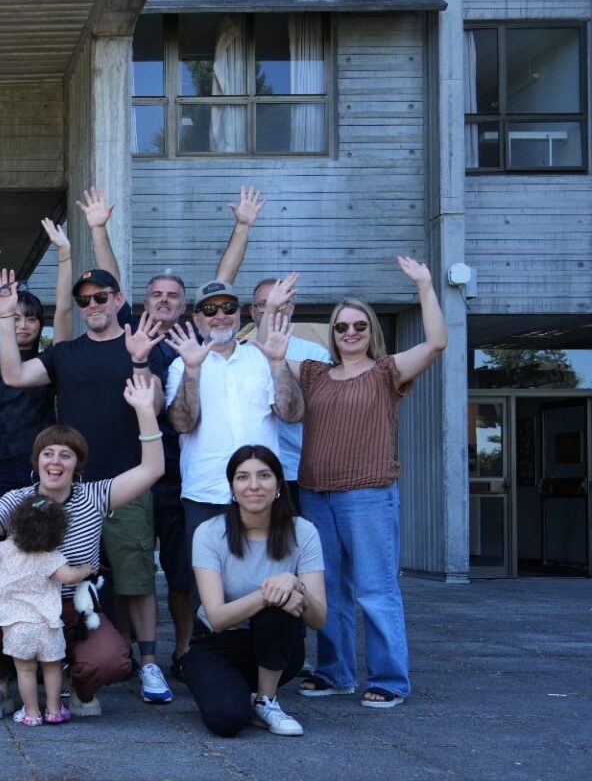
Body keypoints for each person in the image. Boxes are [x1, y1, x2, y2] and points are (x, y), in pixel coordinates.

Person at [80, 183, 265, 671]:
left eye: (174, 296)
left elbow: (223, 284)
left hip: (183, 473)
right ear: (142, 301)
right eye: (156, 294)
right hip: (135, 470)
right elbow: (109, 278)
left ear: (186, 307)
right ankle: (125, 650)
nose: (164, 301)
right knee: (128, 566)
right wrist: (98, 229)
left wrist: (242, 226)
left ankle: (185, 649)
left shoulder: (197, 337)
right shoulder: (130, 331)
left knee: (185, 569)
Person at [0, 264, 172, 705]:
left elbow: (155, 404)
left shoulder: (139, 345)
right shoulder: (65, 353)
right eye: (84, 299)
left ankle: (148, 663)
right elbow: (13, 375)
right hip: (71, 491)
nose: (92, 305)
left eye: (100, 297)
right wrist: (5, 315)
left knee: (135, 579)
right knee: (61, 577)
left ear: (118, 299)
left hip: (126, 483)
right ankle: (64, 663)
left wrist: (140, 359)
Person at [0, 376, 165, 721]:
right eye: (48, 453)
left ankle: (78, 687)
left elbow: (153, 469)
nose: (55, 461)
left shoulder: (96, 496)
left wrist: (145, 411)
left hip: (74, 608)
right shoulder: (17, 500)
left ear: (77, 464)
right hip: (21, 605)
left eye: (65, 455)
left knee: (112, 660)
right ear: (37, 461)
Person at [293, 257, 448, 708]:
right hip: (315, 495)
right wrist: (276, 311)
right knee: (327, 590)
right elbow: (271, 354)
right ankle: (335, 672)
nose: (350, 332)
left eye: (359, 325)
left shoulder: (386, 372)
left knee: (375, 590)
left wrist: (424, 285)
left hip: (367, 495)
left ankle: (390, 679)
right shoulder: (315, 374)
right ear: (332, 333)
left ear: (371, 330)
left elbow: (437, 342)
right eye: (341, 326)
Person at [185, 446, 326, 737]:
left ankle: (266, 700)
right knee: (226, 719)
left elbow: (318, 619)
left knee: (281, 606)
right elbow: (217, 618)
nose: (253, 485)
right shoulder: (210, 533)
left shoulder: (303, 531)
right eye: (242, 477)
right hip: (217, 644)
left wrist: (295, 584)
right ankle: (244, 697)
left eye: (264, 476)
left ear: (279, 485)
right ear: (232, 488)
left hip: (278, 649)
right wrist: (267, 593)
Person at [165, 280, 302, 555]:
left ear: (239, 313)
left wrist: (278, 363)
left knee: (271, 575)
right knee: (207, 579)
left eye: (228, 307)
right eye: (210, 309)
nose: (220, 315)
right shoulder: (181, 365)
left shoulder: (262, 358)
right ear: (197, 318)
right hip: (206, 493)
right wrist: (192, 371)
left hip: (263, 492)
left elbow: (292, 414)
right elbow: (182, 424)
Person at [0, 221, 71, 495]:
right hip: (0, 467)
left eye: (31, 319)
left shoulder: (49, 362)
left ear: (40, 325)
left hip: (45, 465)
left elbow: (64, 312)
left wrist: (64, 256)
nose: (23, 325)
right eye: (16, 318)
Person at [0, 495, 94, 727]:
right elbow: (69, 577)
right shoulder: (51, 557)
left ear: (17, 525)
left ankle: (32, 713)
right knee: (52, 666)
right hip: (47, 625)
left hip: (16, 626)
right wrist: (85, 570)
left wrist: (10, 539)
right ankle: (54, 710)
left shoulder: (6, 549)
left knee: (25, 670)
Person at [241, 274, 332, 513]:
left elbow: (320, 410)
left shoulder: (315, 353)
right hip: (253, 474)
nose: (274, 309)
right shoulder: (240, 356)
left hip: (301, 471)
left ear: (291, 307)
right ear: (253, 312)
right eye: (265, 304)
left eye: (281, 303)